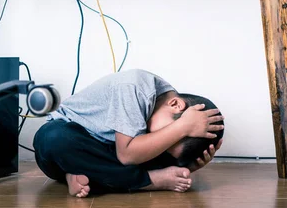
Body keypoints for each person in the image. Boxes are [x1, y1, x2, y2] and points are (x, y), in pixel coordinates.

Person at [33, 69, 225, 198]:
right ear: (175, 104)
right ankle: (146, 181)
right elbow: (126, 156)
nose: (166, 140)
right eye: (170, 132)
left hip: (106, 156)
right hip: (72, 143)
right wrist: (182, 127)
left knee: (157, 154)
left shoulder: (163, 111)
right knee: (52, 138)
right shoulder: (135, 87)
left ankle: (81, 176)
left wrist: (188, 166)